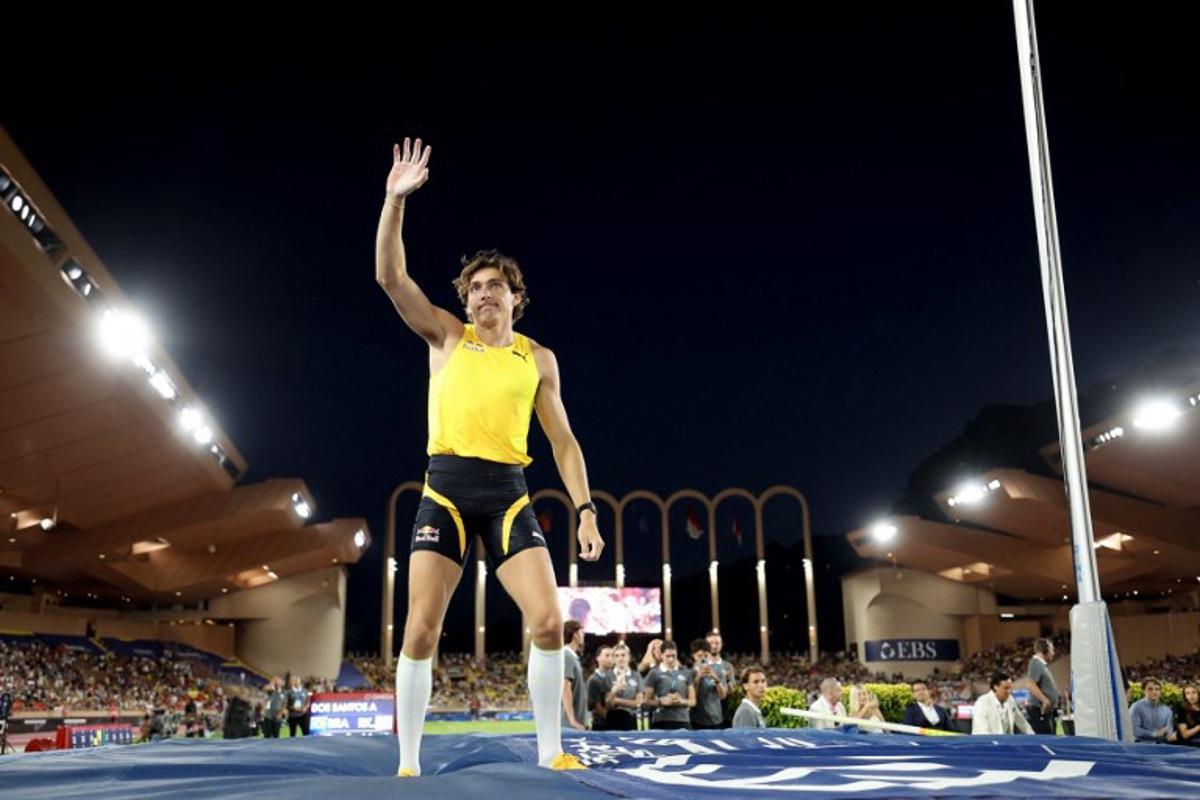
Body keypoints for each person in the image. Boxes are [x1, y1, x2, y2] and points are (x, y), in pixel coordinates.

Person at [377, 137, 603, 776]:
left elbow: (563, 440)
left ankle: (552, 751)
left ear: (515, 298)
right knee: (420, 630)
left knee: (549, 622)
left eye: (495, 286)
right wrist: (395, 202)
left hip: (509, 494)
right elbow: (390, 278)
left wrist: (585, 510)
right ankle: (410, 762)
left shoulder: (538, 358)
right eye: (474, 287)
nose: (483, 295)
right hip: (444, 491)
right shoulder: (447, 335)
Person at [642, 641, 695, 730]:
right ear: (661, 655)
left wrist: (681, 701)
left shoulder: (685, 672)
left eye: (673, 656)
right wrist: (661, 702)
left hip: (682, 720)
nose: (671, 659)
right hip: (661, 720)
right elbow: (646, 701)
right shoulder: (654, 673)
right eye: (668, 656)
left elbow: (693, 701)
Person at [689, 638, 728, 730]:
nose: (703, 659)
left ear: (710, 655)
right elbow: (691, 699)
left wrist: (715, 678)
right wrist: (697, 679)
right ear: (693, 656)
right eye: (699, 656)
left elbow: (723, 696)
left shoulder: (718, 670)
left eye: (705, 656)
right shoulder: (690, 673)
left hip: (716, 719)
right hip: (696, 720)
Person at [604, 643, 642, 731]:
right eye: (617, 656)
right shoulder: (608, 676)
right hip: (613, 720)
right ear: (613, 659)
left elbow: (639, 702)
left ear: (629, 657)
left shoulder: (636, 676)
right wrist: (614, 691)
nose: (620, 658)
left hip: (631, 719)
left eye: (623, 655)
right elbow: (608, 705)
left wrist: (617, 701)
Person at [1025, 638, 1059, 735]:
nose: (1053, 653)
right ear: (1045, 650)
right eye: (1052, 650)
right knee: (1047, 741)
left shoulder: (1041, 665)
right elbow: (1030, 684)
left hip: (1044, 711)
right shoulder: (1036, 663)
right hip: (1039, 710)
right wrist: (1045, 700)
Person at [561, 620, 588, 732]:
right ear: (575, 634)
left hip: (573, 723)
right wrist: (572, 720)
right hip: (569, 725)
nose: (584, 635)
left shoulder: (571, 656)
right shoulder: (567, 656)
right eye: (582, 632)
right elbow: (565, 687)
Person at [1130, 677, 1176, 743]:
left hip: (1163, 747)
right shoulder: (1136, 707)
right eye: (1150, 689)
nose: (1154, 691)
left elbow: (1169, 733)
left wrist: (1173, 735)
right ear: (1144, 691)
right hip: (1141, 746)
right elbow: (1134, 730)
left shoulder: (1167, 710)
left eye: (1157, 689)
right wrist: (1154, 733)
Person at [586, 645, 614, 731]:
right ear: (598, 658)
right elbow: (595, 707)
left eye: (612, 656)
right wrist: (614, 720)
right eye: (607, 655)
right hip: (600, 726)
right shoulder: (593, 680)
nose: (610, 658)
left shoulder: (613, 676)